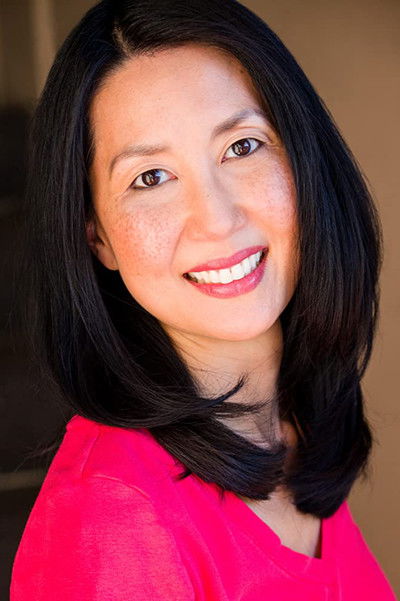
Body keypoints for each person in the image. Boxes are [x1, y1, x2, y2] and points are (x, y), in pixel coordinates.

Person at [10, 0, 397, 599]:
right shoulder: (113, 519)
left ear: (303, 159)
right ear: (97, 235)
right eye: (150, 178)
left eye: (242, 147)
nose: (216, 219)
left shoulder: (289, 428)